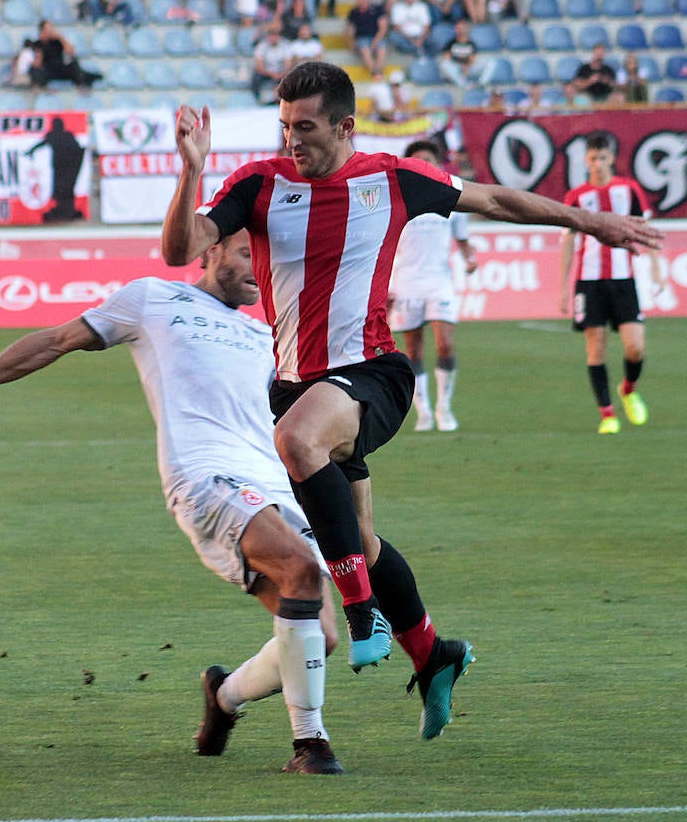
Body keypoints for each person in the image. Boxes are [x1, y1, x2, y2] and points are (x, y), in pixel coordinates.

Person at [161, 61, 661, 738]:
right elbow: (179, 249)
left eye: (304, 128)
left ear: (345, 125)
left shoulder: (391, 178)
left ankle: (361, 610)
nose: (292, 141)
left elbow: (495, 200)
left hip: (373, 373)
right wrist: (191, 168)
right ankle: (434, 654)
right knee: (357, 541)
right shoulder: (258, 184)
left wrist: (588, 222)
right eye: (284, 127)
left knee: (299, 444)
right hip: (294, 387)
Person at [0, 230, 346, 775]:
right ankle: (311, 744)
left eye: (262, 264)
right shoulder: (154, 299)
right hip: (204, 477)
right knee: (302, 569)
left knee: (320, 636)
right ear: (211, 249)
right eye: (246, 255)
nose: (256, 273)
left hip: (273, 486)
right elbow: (55, 340)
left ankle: (223, 698)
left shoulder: (266, 335)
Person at [558, 131, 665, 435]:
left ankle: (628, 389)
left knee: (636, 348)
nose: (598, 164)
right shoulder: (576, 196)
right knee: (596, 349)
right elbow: (568, 243)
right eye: (593, 158)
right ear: (585, 160)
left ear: (612, 158)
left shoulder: (628, 190)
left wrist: (656, 267)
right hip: (589, 282)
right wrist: (563, 288)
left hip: (623, 279)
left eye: (603, 158)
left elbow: (645, 229)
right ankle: (607, 415)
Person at [388, 139, 477, 433]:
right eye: (418, 161)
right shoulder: (398, 201)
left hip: (440, 281)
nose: (424, 166)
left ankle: (444, 407)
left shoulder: (452, 200)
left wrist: (470, 259)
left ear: (438, 164)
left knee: (445, 344)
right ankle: (423, 411)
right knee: (413, 351)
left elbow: (463, 240)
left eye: (429, 160)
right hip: (407, 282)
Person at [11, 20, 102, 90]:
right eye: (48, 29)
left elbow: (71, 51)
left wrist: (61, 38)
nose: (50, 31)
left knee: (74, 64)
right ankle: (43, 88)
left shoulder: (57, 42)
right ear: (42, 31)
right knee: (37, 72)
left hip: (60, 68)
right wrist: (40, 54)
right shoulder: (36, 45)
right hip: (48, 71)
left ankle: (82, 84)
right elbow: (37, 64)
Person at [343, 0, 388, 77]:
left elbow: (383, 28)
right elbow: (346, 31)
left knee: (382, 47)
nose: (360, 0)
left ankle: (378, 71)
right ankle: (376, 74)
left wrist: (375, 42)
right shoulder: (354, 12)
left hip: (377, 36)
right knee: (364, 49)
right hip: (361, 38)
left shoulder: (377, 9)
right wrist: (351, 44)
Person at [250, 23, 294, 104]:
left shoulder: (285, 45)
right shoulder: (262, 46)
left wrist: (281, 74)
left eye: (275, 35)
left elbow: (288, 65)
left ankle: (286, 101)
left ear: (279, 37)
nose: (273, 38)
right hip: (266, 72)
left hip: (281, 72)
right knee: (255, 78)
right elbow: (259, 66)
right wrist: (271, 74)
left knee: (291, 77)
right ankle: (257, 99)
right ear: (268, 37)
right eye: (271, 36)